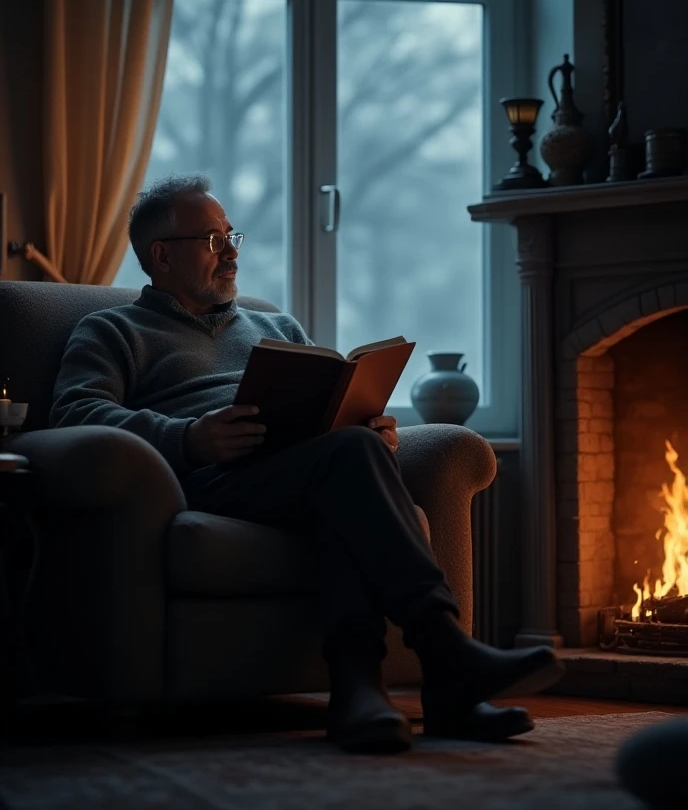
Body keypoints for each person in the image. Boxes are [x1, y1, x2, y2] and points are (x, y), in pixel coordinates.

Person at [50, 174, 564, 754]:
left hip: (301, 473)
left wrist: (365, 422)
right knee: (346, 466)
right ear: (161, 256)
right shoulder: (113, 329)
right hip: (205, 480)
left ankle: (359, 694)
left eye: (231, 235)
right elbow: (74, 414)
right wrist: (189, 437)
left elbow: (326, 400)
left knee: (352, 462)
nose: (233, 252)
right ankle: (445, 657)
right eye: (214, 241)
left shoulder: (275, 327)